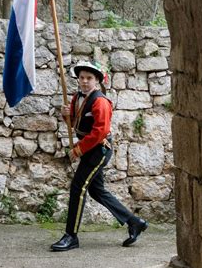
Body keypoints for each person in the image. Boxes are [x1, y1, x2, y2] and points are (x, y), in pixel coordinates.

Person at [51, 60, 148, 252]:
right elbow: (75, 124)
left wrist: (78, 150)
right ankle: (134, 222)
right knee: (96, 190)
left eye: (89, 78)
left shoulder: (100, 102)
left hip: (98, 150)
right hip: (90, 149)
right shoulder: (76, 98)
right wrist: (66, 115)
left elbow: (100, 132)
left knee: (78, 187)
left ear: (97, 80)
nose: (84, 81)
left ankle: (71, 236)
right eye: (81, 78)